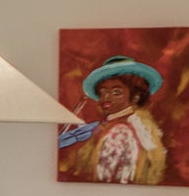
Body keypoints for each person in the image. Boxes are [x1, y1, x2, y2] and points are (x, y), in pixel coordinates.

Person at [63, 57, 167, 185]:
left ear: (135, 97)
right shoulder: (114, 126)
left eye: (116, 92)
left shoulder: (120, 131)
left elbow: (110, 182)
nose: (106, 97)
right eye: (103, 92)